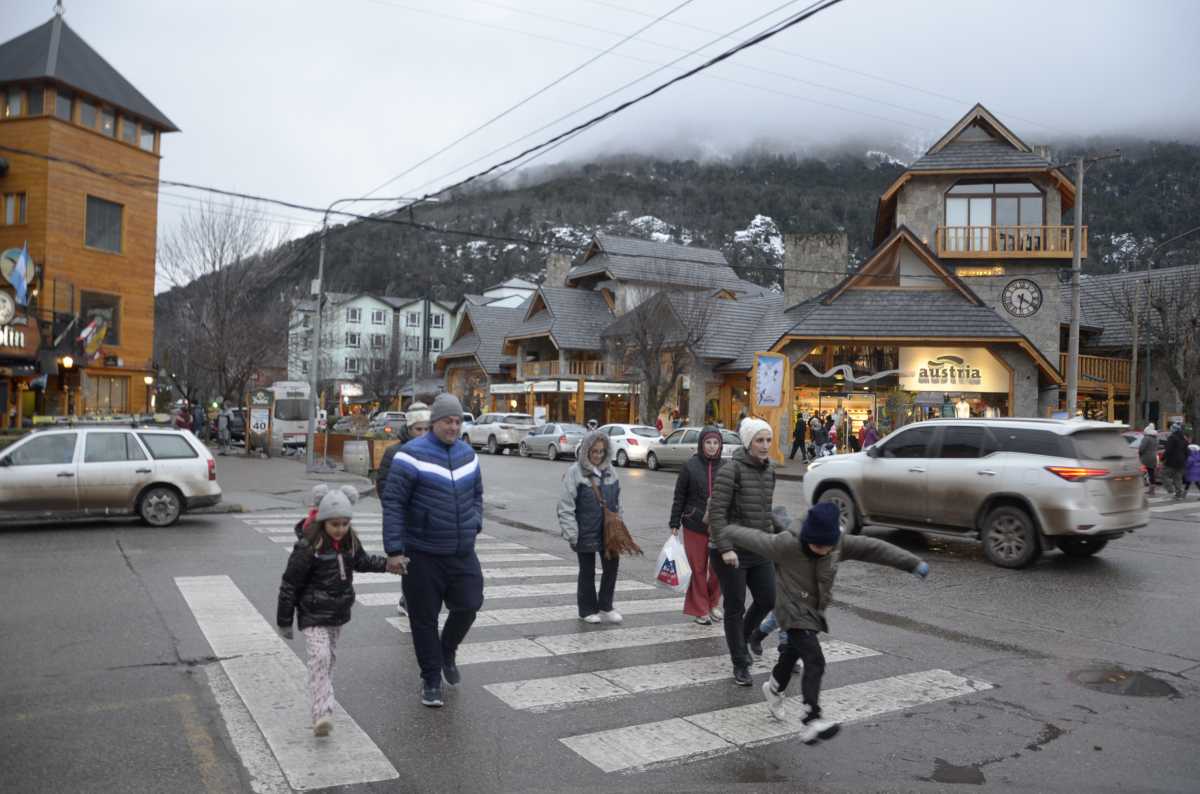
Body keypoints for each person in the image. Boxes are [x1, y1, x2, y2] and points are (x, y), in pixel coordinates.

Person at [726, 502, 929, 742]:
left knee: (791, 653)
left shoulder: (837, 546)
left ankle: (773, 688)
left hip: (813, 612)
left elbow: (874, 548)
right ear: (807, 537)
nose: (823, 550)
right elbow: (751, 537)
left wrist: (911, 563)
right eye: (817, 545)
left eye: (827, 546)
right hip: (790, 610)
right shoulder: (786, 545)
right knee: (814, 659)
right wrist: (721, 529)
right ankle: (812, 718)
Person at [382, 393, 483, 709]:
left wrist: (475, 522)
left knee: (470, 604)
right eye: (447, 421)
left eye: (457, 421)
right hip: (421, 551)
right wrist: (394, 550)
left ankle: (447, 650)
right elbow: (394, 503)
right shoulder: (410, 455)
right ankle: (430, 680)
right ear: (434, 423)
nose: (453, 427)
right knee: (423, 619)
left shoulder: (468, 455)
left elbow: (478, 495)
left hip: (461, 550)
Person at [277, 486, 389, 736]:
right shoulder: (309, 546)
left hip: (337, 612)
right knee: (320, 657)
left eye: (345, 523)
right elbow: (290, 583)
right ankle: (322, 714)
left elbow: (363, 562)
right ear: (323, 522)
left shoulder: (349, 542)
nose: (340, 529)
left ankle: (322, 697)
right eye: (335, 524)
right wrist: (284, 620)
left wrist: (388, 565)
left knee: (329, 661)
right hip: (312, 612)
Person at [708, 417, 778, 686]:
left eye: (768, 440)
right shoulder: (731, 470)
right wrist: (725, 548)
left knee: (768, 598)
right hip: (731, 550)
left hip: (758, 547)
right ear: (748, 443)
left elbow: (764, 512)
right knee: (735, 606)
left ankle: (746, 637)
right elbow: (716, 513)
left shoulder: (769, 470)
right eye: (759, 440)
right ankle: (740, 662)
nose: (764, 445)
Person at [558, 428, 625, 625]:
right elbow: (565, 506)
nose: (597, 455)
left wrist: (619, 523)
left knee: (611, 567)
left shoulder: (611, 471)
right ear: (586, 451)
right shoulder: (574, 472)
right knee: (587, 571)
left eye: (601, 451)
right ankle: (587, 609)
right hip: (585, 530)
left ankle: (606, 605)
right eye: (594, 451)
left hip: (609, 530)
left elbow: (618, 501)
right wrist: (571, 534)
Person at [374, 402, 431, 616]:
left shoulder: (435, 451)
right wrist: (398, 513)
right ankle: (408, 601)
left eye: (427, 429)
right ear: (409, 429)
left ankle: (416, 600)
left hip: (429, 521)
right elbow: (384, 487)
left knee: (427, 565)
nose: (423, 434)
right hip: (408, 520)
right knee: (413, 564)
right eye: (418, 429)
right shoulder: (395, 452)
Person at [668, 426, 725, 625]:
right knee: (698, 568)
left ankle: (713, 603)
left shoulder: (726, 467)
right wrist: (674, 522)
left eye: (715, 443)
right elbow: (679, 496)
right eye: (708, 442)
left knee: (719, 567)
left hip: (719, 525)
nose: (712, 447)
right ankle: (700, 608)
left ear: (720, 445)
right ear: (702, 444)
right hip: (694, 524)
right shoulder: (690, 466)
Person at [1163, 423, 1190, 499]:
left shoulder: (1172, 438)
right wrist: (1184, 459)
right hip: (1181, 462)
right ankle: (1178, 494)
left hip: (1171, 461)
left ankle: (1170, 489)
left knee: (1163, 475)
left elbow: (1168, 450)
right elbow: (1188, 451)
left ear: (1173, 429)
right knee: (1177, 478)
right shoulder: (1183, 439)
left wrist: (1163, 458)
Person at [1138, 424, 1160, 495]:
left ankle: (1139, 487)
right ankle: (1152, 489)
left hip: (1146, 457)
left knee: (1140, 471)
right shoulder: (1155, 439)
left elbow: (1142, 448)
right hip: (1154, 457)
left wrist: (1140, 453)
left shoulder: (1146, 438)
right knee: (1151, 473)